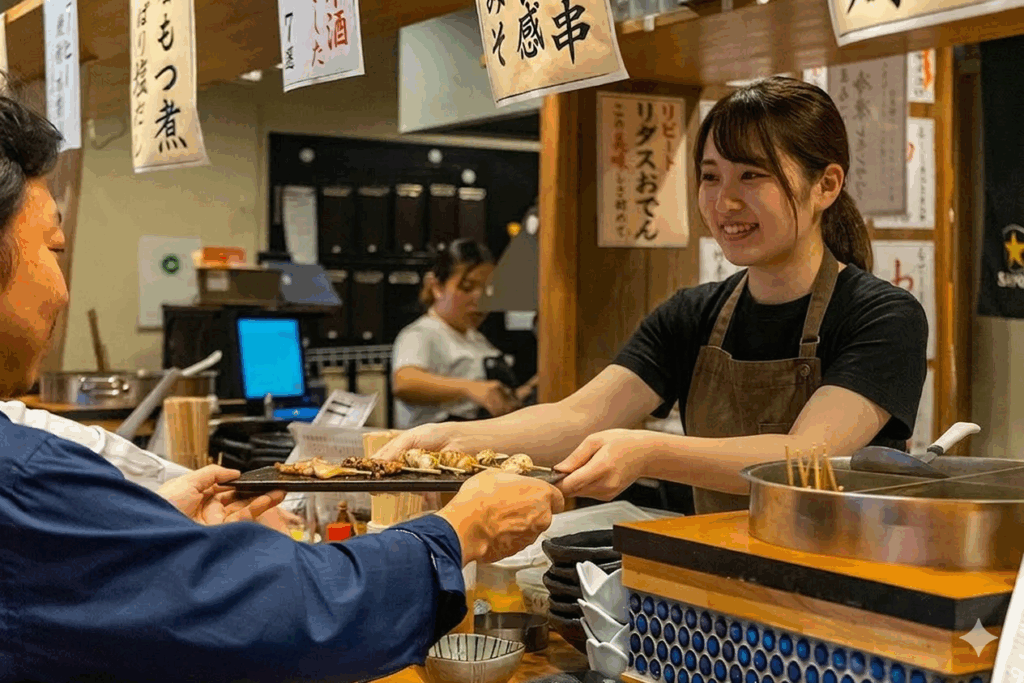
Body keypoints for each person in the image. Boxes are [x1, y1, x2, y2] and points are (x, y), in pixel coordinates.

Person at [0, 91, 564, 682]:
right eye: (54, 248)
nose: (63, 287)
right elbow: (289, 615)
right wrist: (459, 532)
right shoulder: (23, 477)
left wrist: (155, 531)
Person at [376, 76, 929, 514]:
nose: (724, 203)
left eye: (752, 176)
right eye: (710, 177)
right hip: (716, 575)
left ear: (826, 185)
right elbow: (578, 417)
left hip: (848, 585)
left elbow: (807, 457)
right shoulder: (692, 314)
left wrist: (649, 451)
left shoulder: (881, 315)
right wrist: (444, 438)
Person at [392, 238, 534, 428]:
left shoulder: (476, 338)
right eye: (467, 287)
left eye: (488, 289)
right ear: (437, 287)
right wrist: (470, 389)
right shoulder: (421, 333)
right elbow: (404, 382)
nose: (480, 298)